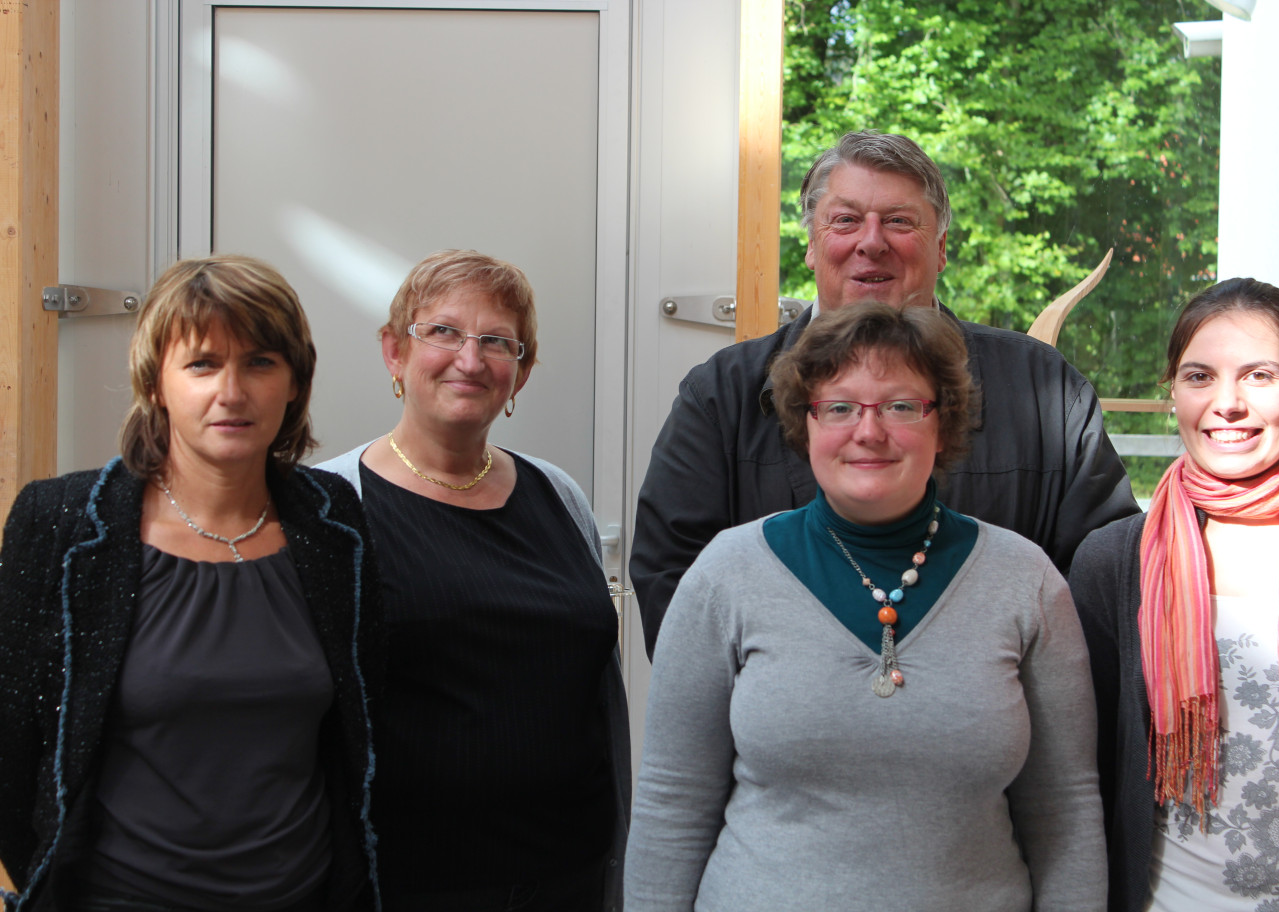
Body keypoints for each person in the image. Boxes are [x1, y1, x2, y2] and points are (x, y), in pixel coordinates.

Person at [624, 302, 1105, 911]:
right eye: (840, 407)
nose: (869, 431)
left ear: (944, 422)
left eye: (901, 406)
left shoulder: (1026, 581)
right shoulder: (725, 575)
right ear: (807, 422)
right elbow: (672, 800)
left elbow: (1064, 805)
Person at [630, 130, 1138, 658]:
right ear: (810, 245)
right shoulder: (720, 396)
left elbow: (1106, 583)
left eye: (898, 221)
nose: (871, 242)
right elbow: (674, 579)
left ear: (940, 249)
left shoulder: (1045, 394)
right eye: (845, 220)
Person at [0, 256, 383, 912]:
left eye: (261, 362)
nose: (231, 392)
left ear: (295, 382)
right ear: (156, 383)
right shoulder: (62, 522)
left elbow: (357, 738)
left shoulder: (332, 520)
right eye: (202, 364)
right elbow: (12, 748)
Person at [316, 249, 630, 912]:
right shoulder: (334, 507)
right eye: (444, 332)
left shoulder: (558, 493)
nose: (470, 357)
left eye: (496, 341)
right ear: (394, 352)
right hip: (410, 885)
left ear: (521, 372)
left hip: (567, 873)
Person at [1070, 277, 1279, 912]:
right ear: (1172, 388)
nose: (1226, 403)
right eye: (1199, 377)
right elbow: (1076, 777)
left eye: (1259, 376)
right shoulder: (1113, 562)